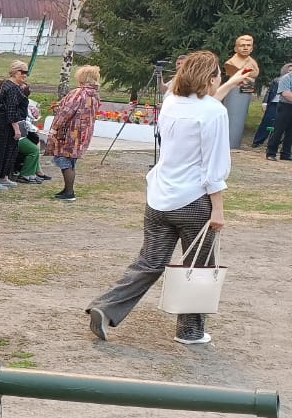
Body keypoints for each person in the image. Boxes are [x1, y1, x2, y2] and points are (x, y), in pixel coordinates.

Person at [87, 52, 249, 345]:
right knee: (197, 267)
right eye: (219, 77)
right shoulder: (214, 112)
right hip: (194, 202)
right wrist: (219, 209)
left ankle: (105, 307)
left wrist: (232, 82)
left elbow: (206, 104)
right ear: (210, 78)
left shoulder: (172, 102)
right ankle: (190, 331)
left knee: (149, 261)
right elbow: (215, 165)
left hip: (160, 198)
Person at [46, 65, 102, 201]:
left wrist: (54, 127)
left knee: (64, 159)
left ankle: (69, 193)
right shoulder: (94, 95)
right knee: (71, 161)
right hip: (83, 133)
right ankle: (67, 189)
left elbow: (66, 112)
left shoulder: (79, 93)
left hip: (71, 132)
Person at [0, 60, 31, 190]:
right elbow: (11, 110)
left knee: (11, 151)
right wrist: (17, 129)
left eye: (26, 72)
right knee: (1, 151)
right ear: (15, 72)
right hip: (5, 124)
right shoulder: (11, 88)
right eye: (22, 72)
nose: (25, 75)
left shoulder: (12, 86)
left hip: (8, 123)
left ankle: (4, 176)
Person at [222, 35, 260, 148]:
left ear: (252, 48)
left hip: (246, 89)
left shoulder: (253, 63)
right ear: (236, 48)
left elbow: (254, 73)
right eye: (242, 45)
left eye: (248, 45)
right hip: (235, 91)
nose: (245, 48)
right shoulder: (231, 63)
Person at [252, 63, 292, 147]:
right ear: (285, 70)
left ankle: (274, 143)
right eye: (289, 70)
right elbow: (269, 92)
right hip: (273, 103)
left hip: (285, 104)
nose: (290, 72)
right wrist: (265, 102)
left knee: (280, 125)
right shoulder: (277, 80)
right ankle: (258, 141)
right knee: (267, 123)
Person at [263, 63, 292, 161]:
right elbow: (285, 94)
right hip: (285, 106)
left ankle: (286, 154)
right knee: (278, 130)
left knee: (291, 132)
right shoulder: (286, 78)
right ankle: (271, 153)